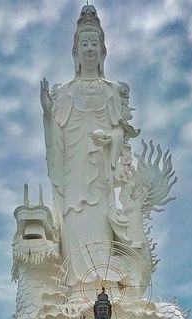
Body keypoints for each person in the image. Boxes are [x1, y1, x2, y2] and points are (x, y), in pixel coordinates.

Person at [40, 5, 139, 282]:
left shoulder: (111, 91)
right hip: (73, 179)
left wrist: (110, 139)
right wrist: (48, 115)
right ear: (75, 52)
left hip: (100, 177)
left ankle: (103, 286)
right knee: (75, 219)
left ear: (103, 50)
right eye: (84, 44)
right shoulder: (65, 92)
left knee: (99, 225)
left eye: (94, 43)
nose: (90, 49)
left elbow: (121, 135)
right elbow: (57, 139)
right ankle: (74, 289)